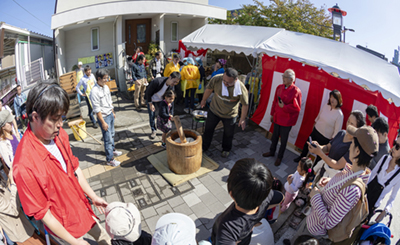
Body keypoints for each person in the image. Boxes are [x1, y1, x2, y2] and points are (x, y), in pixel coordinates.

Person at [13, 80, 111, 245]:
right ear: (35, 117)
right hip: (64, 227)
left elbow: (74, 169)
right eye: (55, 119)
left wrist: (93, 196)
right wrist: (76, 242)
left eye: (62, 117)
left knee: (106, 238)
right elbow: (45, 215)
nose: (61, 124)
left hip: (82, 208)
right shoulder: (24, 166)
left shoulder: (59, 135)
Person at [307, 125, 378, 239]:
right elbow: (342, 187)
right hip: (313, 219)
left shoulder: (352, 191)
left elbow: (329, 222)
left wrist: (315, 197)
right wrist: (331, 181)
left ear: (357, 151)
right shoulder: (354, 172)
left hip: (316, 230)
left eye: (352, 143)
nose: (349, 147)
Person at [211, 158, 284, 245]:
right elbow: (281, 197)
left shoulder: (227, 229)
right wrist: (264, 206)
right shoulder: (265, 198)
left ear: (231, 194)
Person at [201, 68, 249, 158]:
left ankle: (226, 149)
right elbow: (208, 90)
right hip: (214, 110)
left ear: (236, 80)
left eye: (229, 83)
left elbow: (245, 104)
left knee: (228, 134)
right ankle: (204, 147)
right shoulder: (217, 79)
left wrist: (242, 119)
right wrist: (203, 100)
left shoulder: (241, 88)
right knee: (208, 130)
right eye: (224, 81)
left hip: (230, 114)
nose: (225, 84)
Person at [308, 110, 366, 185]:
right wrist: (319, 147)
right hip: (323, 171)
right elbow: (328, 147)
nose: (348, 125)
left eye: (352, 124)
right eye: (348, 121)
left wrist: (320, 154)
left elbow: (338, 165)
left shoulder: (354, 146)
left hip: (332, 180)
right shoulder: (341, 133)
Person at [262, 69, 302, 166]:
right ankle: (272, 151)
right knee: (274, 137)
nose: (283, 78)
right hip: (277, 117)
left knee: (283, 141)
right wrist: (272, 114)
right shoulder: (279, 87)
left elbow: (297, 108)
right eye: (283, 76)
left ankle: (280, 157)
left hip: (286, 121)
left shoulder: (296, 91)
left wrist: (284, 107)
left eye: (285, 77)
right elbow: (275, 102)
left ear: (291, 79)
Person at [294, 90, 343, 162]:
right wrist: (315, 124)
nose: (332, 100)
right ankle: (302, 158)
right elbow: (319, 115)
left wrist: (331, 142)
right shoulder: (326, 105)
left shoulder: (339, 114)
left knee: (319, 155)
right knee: (307, 145)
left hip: (325, 137)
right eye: (331, 97)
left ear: (338, 100)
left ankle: (313, 171)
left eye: (334, 98)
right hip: (316, 130)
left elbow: (337, 132)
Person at [0, 168, 47, 245]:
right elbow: (13, 210)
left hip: (27, 226)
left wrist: (11, 176)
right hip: (23, 235)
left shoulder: (1, 181)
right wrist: (13, 184)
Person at [91, 69, 122, 167]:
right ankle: (109, 159)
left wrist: (113, 112)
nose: (106, 80)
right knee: (107, 139)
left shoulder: (106, 87)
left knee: (112, 134)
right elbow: (97, 110)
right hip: (104, 117)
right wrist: (103, 122)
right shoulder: (94, 91)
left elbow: (109, 101)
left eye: (107, 77)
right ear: (99, 78)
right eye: (104, 78)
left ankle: (112, 150)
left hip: (110, 114)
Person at [367, 134, 400, 222]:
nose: (393, 147)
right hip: (365, 196)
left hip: (374, 205)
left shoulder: (398, 174)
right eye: (395, 143)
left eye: (397, 147)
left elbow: (393, 197)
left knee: (359, 228)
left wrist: (385, 211)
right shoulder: (385, 158)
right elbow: (371, 175)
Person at [145, 72, 181, 139]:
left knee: (163, 114)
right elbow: (148, 92)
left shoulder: (171, 87)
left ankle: (163, 129)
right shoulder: (157, 81)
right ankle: (153, 130)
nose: (175, 84)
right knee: (152, 115)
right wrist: (150, 104)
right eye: (174, 81)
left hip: (161, 100)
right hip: (151, 99)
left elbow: (171, 100)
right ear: (170, 77)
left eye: (176, 82)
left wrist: (171, 113)